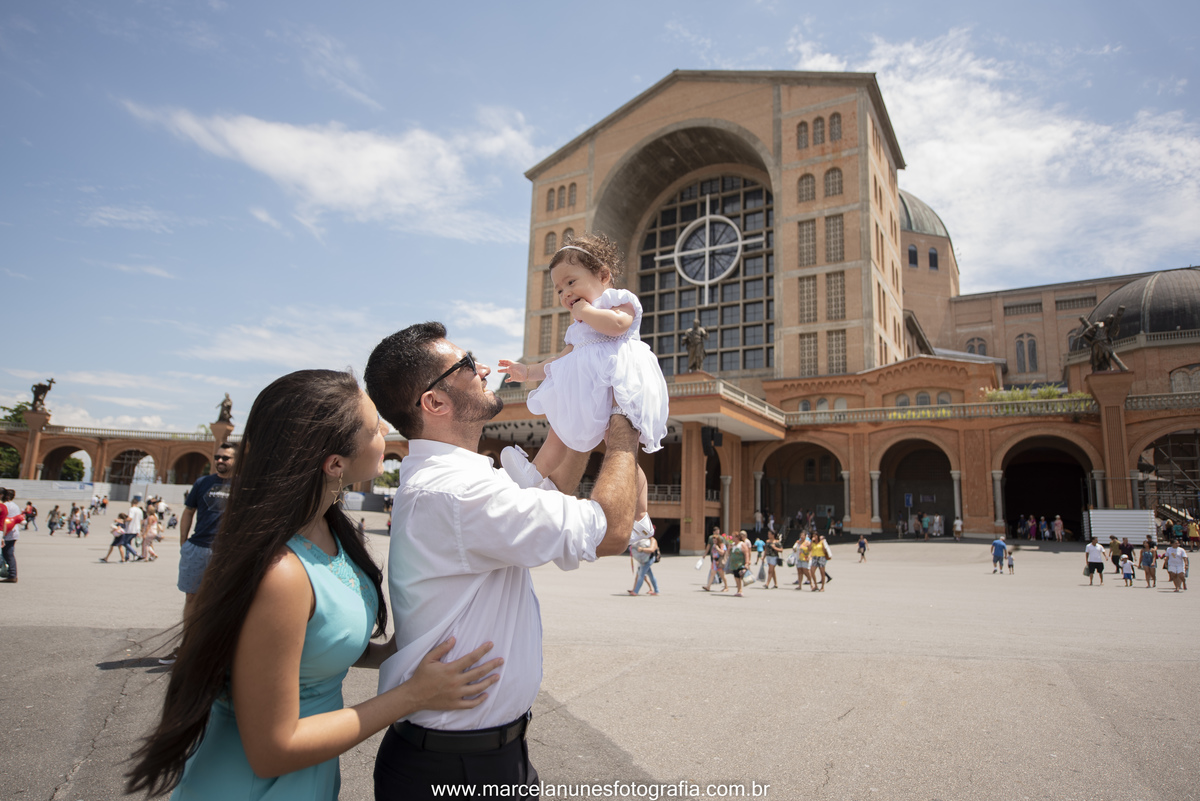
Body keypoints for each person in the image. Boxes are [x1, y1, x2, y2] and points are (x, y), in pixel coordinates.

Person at [127, 369, 503, 800]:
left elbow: (315, 643)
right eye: (373, 426)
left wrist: (405, 644)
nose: (385, 430)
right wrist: (412, 696)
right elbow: (273, 749)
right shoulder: (281, 573)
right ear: (336, 463)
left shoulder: (327, 531)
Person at [363, 321, 640, 799]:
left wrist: (581, 414)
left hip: (484, 755)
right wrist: (625, 429)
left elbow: (553, 499)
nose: (484, 368)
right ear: (435, 402)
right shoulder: (458, 492)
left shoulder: (462, 482)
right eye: (468, 365)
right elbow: (611, 531)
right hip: (453, 766)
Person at [497, 233, 667, 547]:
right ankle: (535, 475)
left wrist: (587, 313)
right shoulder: (576, 328)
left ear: (602, 275)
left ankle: (640, 516)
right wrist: (527, 371)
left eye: (571, 282)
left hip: (619, 381)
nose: (565, 293)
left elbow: (619, 325)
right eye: (559, 289)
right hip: (590, 390)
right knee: (560, 425)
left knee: (623, 455)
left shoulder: (618, 299)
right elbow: (559, 361)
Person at [165, 442, 236, 665]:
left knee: (225, 602)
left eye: (226, 457)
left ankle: (221, 650)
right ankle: (187, 646)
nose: (220, 461)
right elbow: (188, 512)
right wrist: (183, 542)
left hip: (226, 552)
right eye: (217, 457)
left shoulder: (243, 485)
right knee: (192, 598)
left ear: (236, 461)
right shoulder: (203, 482)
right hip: (198, 547)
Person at [1, 488, 25, 583]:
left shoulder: (4, 506)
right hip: (14, 532)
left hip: (6, 532)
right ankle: (12, 574)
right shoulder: (15, 506)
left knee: (7, 554)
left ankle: (12, 574)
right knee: (8, 553)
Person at [702, 526, 728, 592]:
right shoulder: (714, 545)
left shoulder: (721, 545)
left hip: (719, 562)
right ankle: (708, 586)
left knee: (722, 575)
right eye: (713, 540)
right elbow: (709, 548)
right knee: (712, 574)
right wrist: (705, 554)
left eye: (715, 540)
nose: (714, 541)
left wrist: (717, 548)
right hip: (714, 562)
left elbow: (722, 553)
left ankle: (726, 587)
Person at [727, 530, 751, 596]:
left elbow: (746, 554)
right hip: (734, 564)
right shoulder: (733, 545)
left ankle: (740, 590)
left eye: (733, 537)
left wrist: (747, 562)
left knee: (739, 576)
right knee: (736, 576)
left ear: (737, 537)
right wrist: (729, 548)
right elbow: (729, 553)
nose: (732, 538)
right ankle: (739, 590)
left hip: (740, 563)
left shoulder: (742, 544)